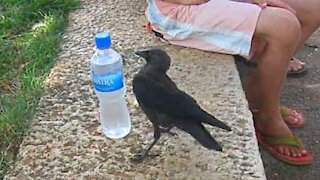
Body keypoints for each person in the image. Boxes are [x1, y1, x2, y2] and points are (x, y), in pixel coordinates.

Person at [145, 0, 320, 165]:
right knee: (284, 25)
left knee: (313, 8)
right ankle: (268, 116)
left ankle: (256, 93)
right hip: (177, 9)